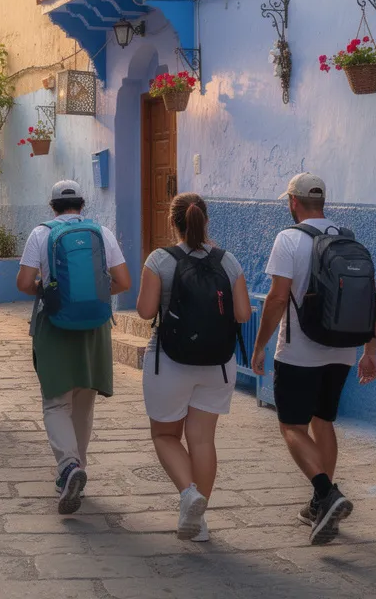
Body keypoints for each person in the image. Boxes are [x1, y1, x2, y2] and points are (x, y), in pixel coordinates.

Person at [251, 172, 376, 546]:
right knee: (323, 421)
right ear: (322, 202)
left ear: (293, 202)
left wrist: (259, 345)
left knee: (292, 426)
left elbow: (276, 299)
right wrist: (369, 350)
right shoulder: (347, 238)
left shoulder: (288, 239)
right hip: (343, 349)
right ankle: (320, 505)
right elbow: (371, 299)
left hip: (299, 350)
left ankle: (326, 492)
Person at [135, 193, 251, 542]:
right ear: (206, 220)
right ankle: (199, 523)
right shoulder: (227, 261)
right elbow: (244, 315)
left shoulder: (159, 260)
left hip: (170, 361)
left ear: (174, 222)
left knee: (165, 435)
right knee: (202, 439)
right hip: (218, 364)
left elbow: (143, 311)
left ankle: (189, 495)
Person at [17, 180, 131, 515]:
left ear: (52, 206)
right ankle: (76, 466)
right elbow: (123, 281)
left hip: (54, 324)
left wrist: (52, 291)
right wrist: (91, 292)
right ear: (82, 204)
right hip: (94, 326)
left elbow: (24, 283)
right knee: (83, 402)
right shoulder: (102, 233)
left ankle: (68, 468)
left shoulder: (41, 233)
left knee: (56, 403)